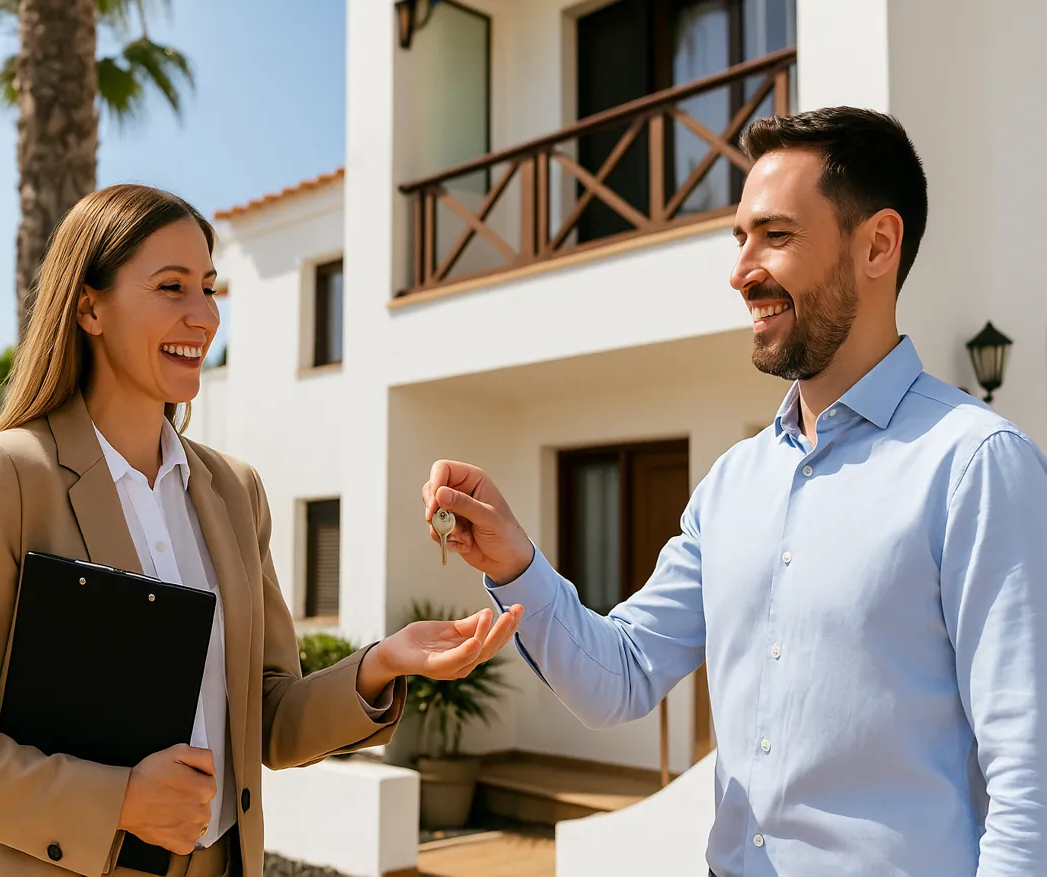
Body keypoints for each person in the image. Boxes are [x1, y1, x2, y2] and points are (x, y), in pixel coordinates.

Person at [422, 107, 1047, 876]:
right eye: (739, 237)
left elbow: (1030, 773)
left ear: (878, 243)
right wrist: (516, 561)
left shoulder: (976, 464)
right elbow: (618, 676)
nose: (741, 268)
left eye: (775, 236)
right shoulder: (732, 484)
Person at [0, 184, 523, 877]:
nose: (204, 316)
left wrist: (382, 664)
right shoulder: (6, 476)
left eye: (210, 288)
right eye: (171, 287)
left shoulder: (235, 493)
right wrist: (118, 799)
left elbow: (267, 714)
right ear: (89, 306)